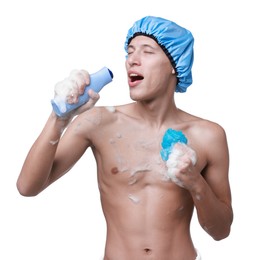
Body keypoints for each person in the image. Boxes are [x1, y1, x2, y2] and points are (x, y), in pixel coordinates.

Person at [17, 16, 233, 260]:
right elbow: (28, 187)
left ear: (174, 64)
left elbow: (221, 230)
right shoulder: (99, 122)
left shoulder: (208, 136)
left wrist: (195, 182)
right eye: (129, 52)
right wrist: (58, 120)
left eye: (147, 51)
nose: (132, 60)